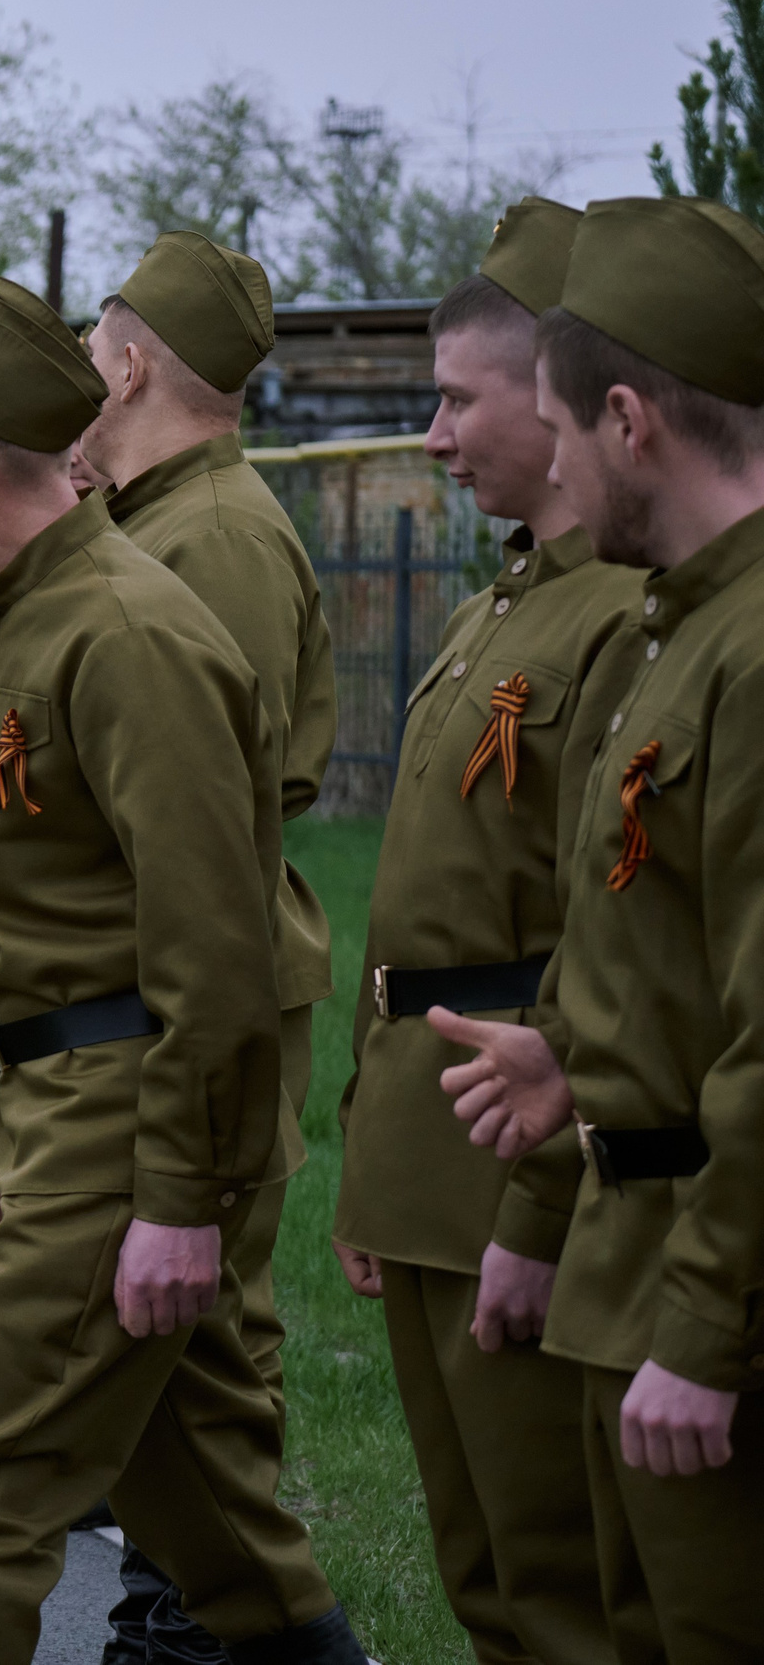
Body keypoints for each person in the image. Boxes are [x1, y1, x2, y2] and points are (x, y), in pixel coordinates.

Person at [0, 272, 367, 1665]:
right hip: (71, 1108)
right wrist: (6, 1130)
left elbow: (214, 950)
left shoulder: (128, 628)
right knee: (211, 1518)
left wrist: (173, 1199)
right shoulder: (33, 614)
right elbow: (60, 929)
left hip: (125, 1123)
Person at [434, 195, 764, 1665]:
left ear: (629, 421)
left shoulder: (747, 654)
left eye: (562, 433)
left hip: (709, 1274)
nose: (549, 473)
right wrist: (558, 1132)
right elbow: (641, 951)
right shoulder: (673, 630)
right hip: (624, 1238)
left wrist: (705, 1324)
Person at [329, 198, 632, 1665]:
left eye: (457, 398)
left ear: (558, 397)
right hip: (427, 1138)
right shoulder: (500, 605)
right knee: (484, 1572)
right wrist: (368, 1153)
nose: (434, 437)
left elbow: (607, 939)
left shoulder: (623, 620)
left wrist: (543, 1197)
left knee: (559, 1581)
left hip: (523, 1147)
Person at [78, 231, 338, 1663]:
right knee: (160, 1310)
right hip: (150, 974)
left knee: (208, 1314)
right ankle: (178, 1594)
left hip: (212, 971)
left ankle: (196, 1617)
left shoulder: (216, 536)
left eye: (85, 352)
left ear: (127, 364)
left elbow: (213, 816)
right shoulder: (154, 513)